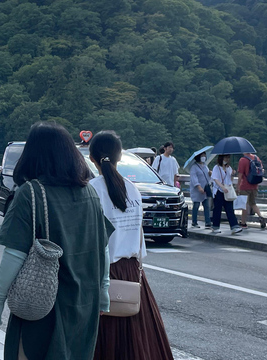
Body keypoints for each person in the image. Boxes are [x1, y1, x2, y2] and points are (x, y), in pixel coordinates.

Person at [0, 122, 113, 360]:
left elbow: (14, 256)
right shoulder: (90, 194)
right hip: (85, 305)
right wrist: (104, 291)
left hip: (42, 308)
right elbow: (103, 249)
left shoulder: (30, 193)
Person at [87, 131, 173, 360]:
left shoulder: (90, 190)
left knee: (102, 341)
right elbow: (139, 240)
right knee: (137, 339)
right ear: (119, 157)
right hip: (132, 273)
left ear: (91, 158)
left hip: (102, 273)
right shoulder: (132, 189)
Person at [210, 155, 243, 234]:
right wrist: (222, 187)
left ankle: (234, 226)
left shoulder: (229, 168)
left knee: (230, 209)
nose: (227, 160)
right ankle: (215, 226)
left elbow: (230, 180)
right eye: (225, 158)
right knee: (217, 209)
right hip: (219, 191)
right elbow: (215, 179)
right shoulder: (216, 168)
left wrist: (232, 174)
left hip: (227, 191)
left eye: (228, 158)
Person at [237, 151, 266, 229]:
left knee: (244, 204)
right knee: (253, 203)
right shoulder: (256, 158)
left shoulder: (242, 160)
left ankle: (243, 223)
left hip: (245, 186)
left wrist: (237, 187)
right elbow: (261, 171)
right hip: (254, 185)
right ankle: (260, 216)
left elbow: (240, 176)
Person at [188, 151, 212, 229]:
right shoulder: (194, 167)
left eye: (205, 155)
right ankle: (194, 222)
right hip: (197, 190)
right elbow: (194, 178)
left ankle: (207, 222)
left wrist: (210, 174)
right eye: (202, 156)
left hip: (204, 188)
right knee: (196, 205)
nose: (204, 157)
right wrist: (198, 187)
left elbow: (207, 175)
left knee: (206, 206)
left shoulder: (205, 166)